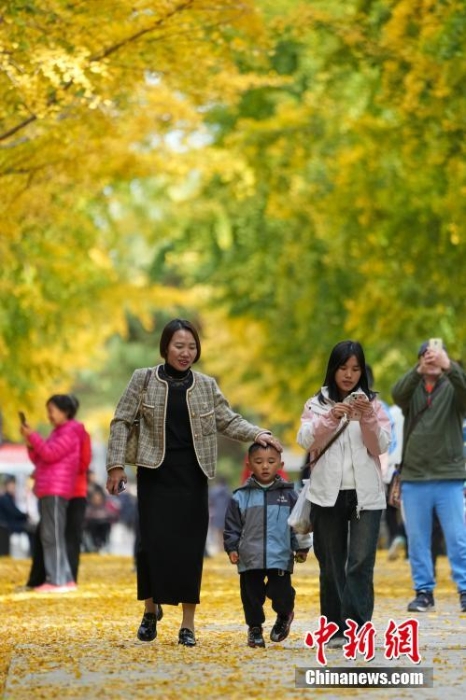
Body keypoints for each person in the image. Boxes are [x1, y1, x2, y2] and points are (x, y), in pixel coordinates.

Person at [105, 318, 282, 646]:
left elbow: (227, 419)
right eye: (178, 346)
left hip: (193, 476)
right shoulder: (143, 379)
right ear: (165, 348)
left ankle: (188, 624)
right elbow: (121, 421)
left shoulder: (205, 385)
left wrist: (259, 433)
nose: (186, 352)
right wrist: (116, 467)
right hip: (154, 474)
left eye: (191, 346)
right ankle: (149, 609)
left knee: (189, 549)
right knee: (150, 546)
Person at [297, 340, 391, 647]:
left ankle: (358, 628)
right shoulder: (316, 404)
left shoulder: (373, 405)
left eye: (355, 369)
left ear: (362, 371)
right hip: (327, 493)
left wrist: (367, 418)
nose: (349, 375)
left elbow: (380, 447)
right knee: (332, 563)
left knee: (361, 562)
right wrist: (331, 418)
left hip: (366, 494)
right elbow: (305, 440)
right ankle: (335, 628)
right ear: (333, 369)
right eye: (343, 368)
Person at [391, 340, 466, 613]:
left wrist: (448, 365)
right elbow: (396, 393)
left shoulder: (454, 389)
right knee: (418, 539)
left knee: (458, 537)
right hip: (414, 477)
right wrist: (417, 370)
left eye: (436, 356)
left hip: (449, 476)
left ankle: (465, 589)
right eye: (426, 356)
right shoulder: (413, 391)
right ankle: (423, 592)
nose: (431, 360)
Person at [224, 443, 311, 648]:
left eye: (271, 462)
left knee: (281, 594)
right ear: (249, 465)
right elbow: (232, 527)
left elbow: (298, 525)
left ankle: (284, 614)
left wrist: (301, 548)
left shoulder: (289, 496)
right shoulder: (240, 496)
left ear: (280, 464)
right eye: (259, 462)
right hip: (249, 557)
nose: (265, 466)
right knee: (251, 597)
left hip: (279, 556)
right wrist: (232, 548)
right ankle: (254, 629)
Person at [25, 396, 91, 588]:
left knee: (55, 536)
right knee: (51, 535)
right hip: (53, 486)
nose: (49, 415)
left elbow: (51, 454)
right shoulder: (58, 432)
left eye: (52, 410)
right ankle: (63, 579)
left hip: (61, 488)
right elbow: (42, 458)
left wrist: (33, 437)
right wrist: (31, 444)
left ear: (65, 411)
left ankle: (58, 580)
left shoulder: (72, 431)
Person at [0, 475, 36, 555]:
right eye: (11, 484)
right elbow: (14, 513)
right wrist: (26, 516)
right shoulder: (4, 498)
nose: (13, 487)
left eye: (14, 484)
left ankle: (33, 554)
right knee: (32, 529)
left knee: (32, 528)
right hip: (8, 525)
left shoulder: (9, 497)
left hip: (11, 524)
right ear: (6, 485)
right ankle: (33, 554)